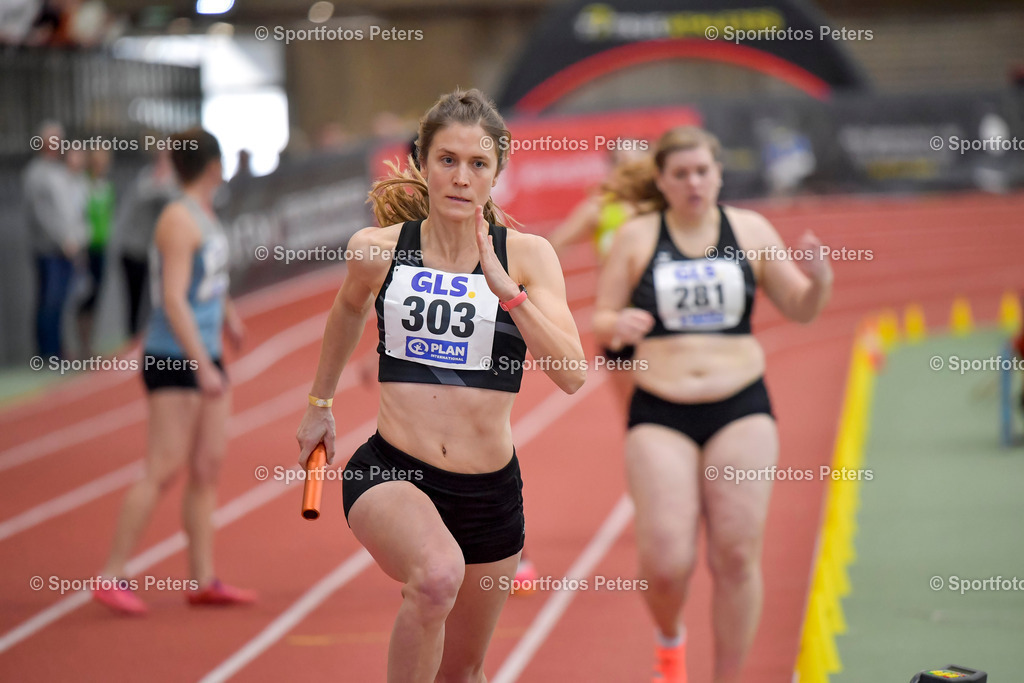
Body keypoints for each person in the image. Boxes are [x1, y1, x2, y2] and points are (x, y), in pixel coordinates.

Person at [295, 88, 585, 682]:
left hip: (488, 494)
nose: (461, 177)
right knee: (434, 577)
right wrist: (319, 405)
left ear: (497, 174)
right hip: (391, 470)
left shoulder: (529, 257)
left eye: (478, 164)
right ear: (424, 164)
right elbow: (348, 311)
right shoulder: (377, 252)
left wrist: (510, 294)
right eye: (447, 160)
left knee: (464, 672)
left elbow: (573, 374)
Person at [593, 126, 832, 683]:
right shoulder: (636, 236)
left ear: (719, 173)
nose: (694, 182)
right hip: (661, 411)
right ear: (662, 181)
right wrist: (618, 324)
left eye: (703, 171)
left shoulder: (750, 230)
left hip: (740, 406)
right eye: (681, 174)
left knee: (736, 555)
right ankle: (670, 638)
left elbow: (800, 307)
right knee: (667, 563)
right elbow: (601, 318)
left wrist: (821, 281)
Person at [93, 128, 252, 615]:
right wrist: (202, 364)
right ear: (213, 167)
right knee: (163, 467)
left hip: (206, 354)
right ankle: (112, 573)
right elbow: (174, 300)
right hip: (174, 357)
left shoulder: (204, 213)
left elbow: (210, 280)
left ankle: (203, 578)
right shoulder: (178, 220)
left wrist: (229, 317)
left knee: (207, 466)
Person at [547, 145, 657, 412]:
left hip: (664, 319)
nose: (627, 169)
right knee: (635, 414)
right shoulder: (598, 209)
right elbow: (552, 246)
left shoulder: (663, 208)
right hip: (618, 323)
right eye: (620, 162)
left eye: (635, 163)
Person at [23, 121, 84, 360]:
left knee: (60, 301)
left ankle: (58, 348)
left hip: (67, 248)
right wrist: (63, 240)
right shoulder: (35, 173)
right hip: (48, 249)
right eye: (54, 140)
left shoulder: (61, 172)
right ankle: (46, 353)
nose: (58, 145)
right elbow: (42, 215)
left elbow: (71, 209)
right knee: (48, 300)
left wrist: (76, 238)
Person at [117, 147, 178, 337]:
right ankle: (132, 339)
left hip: (153, 253)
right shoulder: (145, 178)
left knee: (155, 300)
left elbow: (175, 198)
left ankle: (149, 335)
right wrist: (164, 182)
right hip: (133, 250)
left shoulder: (171, 180)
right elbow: (151, 193)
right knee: (134, 301)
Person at [76, 148, 115, 356]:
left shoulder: (106, 187)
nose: (102, 166)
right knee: (85, 295)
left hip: (101, 247)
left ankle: (90, 342)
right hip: (86, 248)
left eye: (105, 162)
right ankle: (83, 344)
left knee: (97, 294)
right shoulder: (83, 186)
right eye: (98, 162)